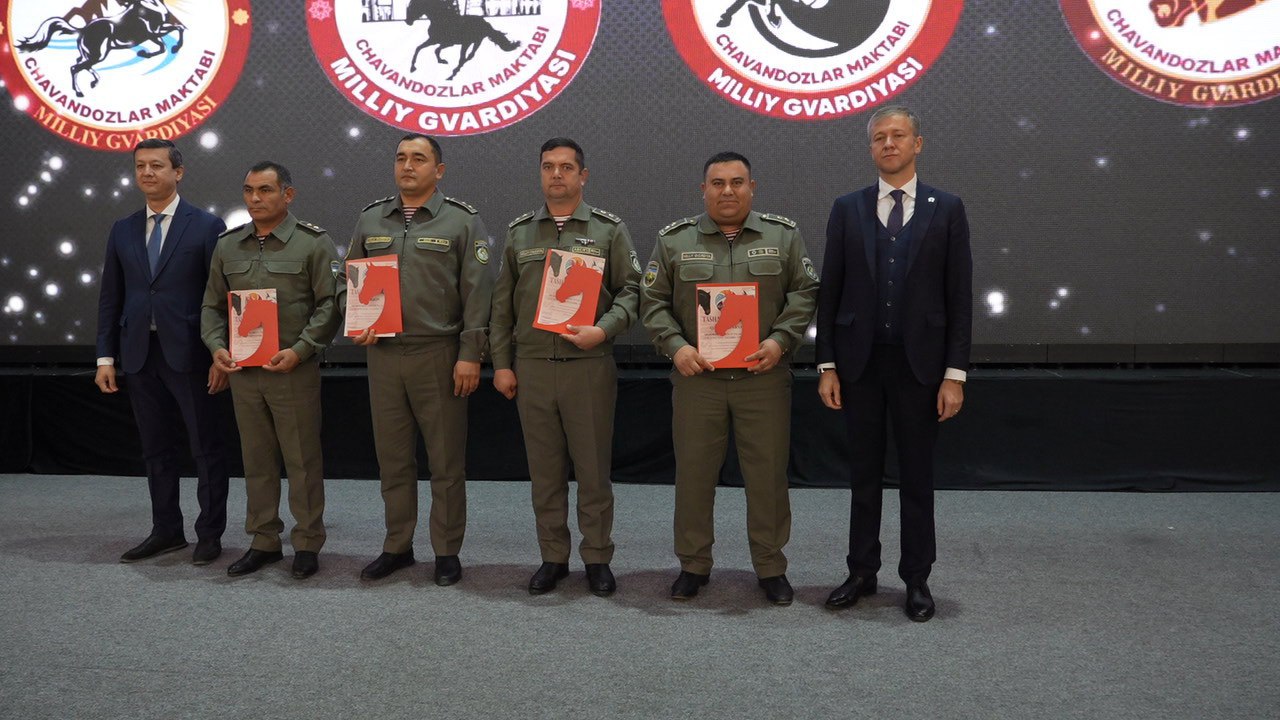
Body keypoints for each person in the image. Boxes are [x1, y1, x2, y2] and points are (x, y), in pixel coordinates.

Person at [814, 105, 973, 622]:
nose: (889, 143)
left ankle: (917, 578)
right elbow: (831, 290)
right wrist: (827, 365)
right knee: (863, 474)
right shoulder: (847, 208)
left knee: (917, 478)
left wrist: (954, 375)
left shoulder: (947, 209)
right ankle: (861, 571)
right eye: (879, 137)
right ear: (871, 148)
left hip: (920, 369)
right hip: (859, 366)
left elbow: (959, 297)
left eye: (898, 135)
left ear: (917, 144)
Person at [640, 151, 818, 605]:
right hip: (698, 381)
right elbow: (652, 302)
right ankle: (693, 565)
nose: (727, 191)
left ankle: (771, 567)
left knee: (768, 478)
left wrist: (780, 340)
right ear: (703, 190)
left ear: (752, 188)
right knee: (694, 476)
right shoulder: (674, 240)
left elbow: (804, 293)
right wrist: (676, 347)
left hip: (763, 379)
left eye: (737, 182)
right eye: (717, 183)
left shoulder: (783, 236)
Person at [490, 137, 640, 597]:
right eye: (548, 166)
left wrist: (604, 329)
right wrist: (501, 364)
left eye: (566, 167)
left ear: (583, 176)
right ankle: (553, 557)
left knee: (593, 471)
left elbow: (633, 292)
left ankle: (597, 557)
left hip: (587, 365)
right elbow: (502, 306)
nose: (557, 174)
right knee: (545, 473)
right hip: (532, 367)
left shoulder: (609, 230)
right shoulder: (520, 232)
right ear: (540, 173)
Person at [347, 134, 493, 586]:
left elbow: (478, 292)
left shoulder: (462, 221)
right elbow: (349, 280)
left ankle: (446, 550)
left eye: (419, 159)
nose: (407, 166)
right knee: (393, 459)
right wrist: (357, 319)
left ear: (439, 170)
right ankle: (397, 545)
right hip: (384, 355)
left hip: (439, 354)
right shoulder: (371, 218)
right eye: (401, 158)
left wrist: (470, 354)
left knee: (445, 462)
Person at [201, 161, 342, 579]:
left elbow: (330, 304)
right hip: (245, 373)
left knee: (301, 460)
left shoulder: (313, 243)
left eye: (265, 190)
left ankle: (307, 542)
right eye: (248, 191)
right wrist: (217, 347)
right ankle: (263, 540)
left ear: (287, 195)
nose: (255, 199)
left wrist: (301, 350)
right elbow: (211, 306)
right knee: (256, 459)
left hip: (291, 370)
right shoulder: (228, 246)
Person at [95, 138, 230, 567]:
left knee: (206, 447)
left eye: (156, 165)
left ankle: (209, 534)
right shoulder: (123, 228)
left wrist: (221, 354)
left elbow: (221, 296)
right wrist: (105, 357)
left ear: (178, 172)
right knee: (155, 448)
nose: (147, 173)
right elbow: (110, 297)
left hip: (192, 354)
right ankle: (166, 530)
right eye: (140, 166)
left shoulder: (206, 226)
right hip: (138, 354)